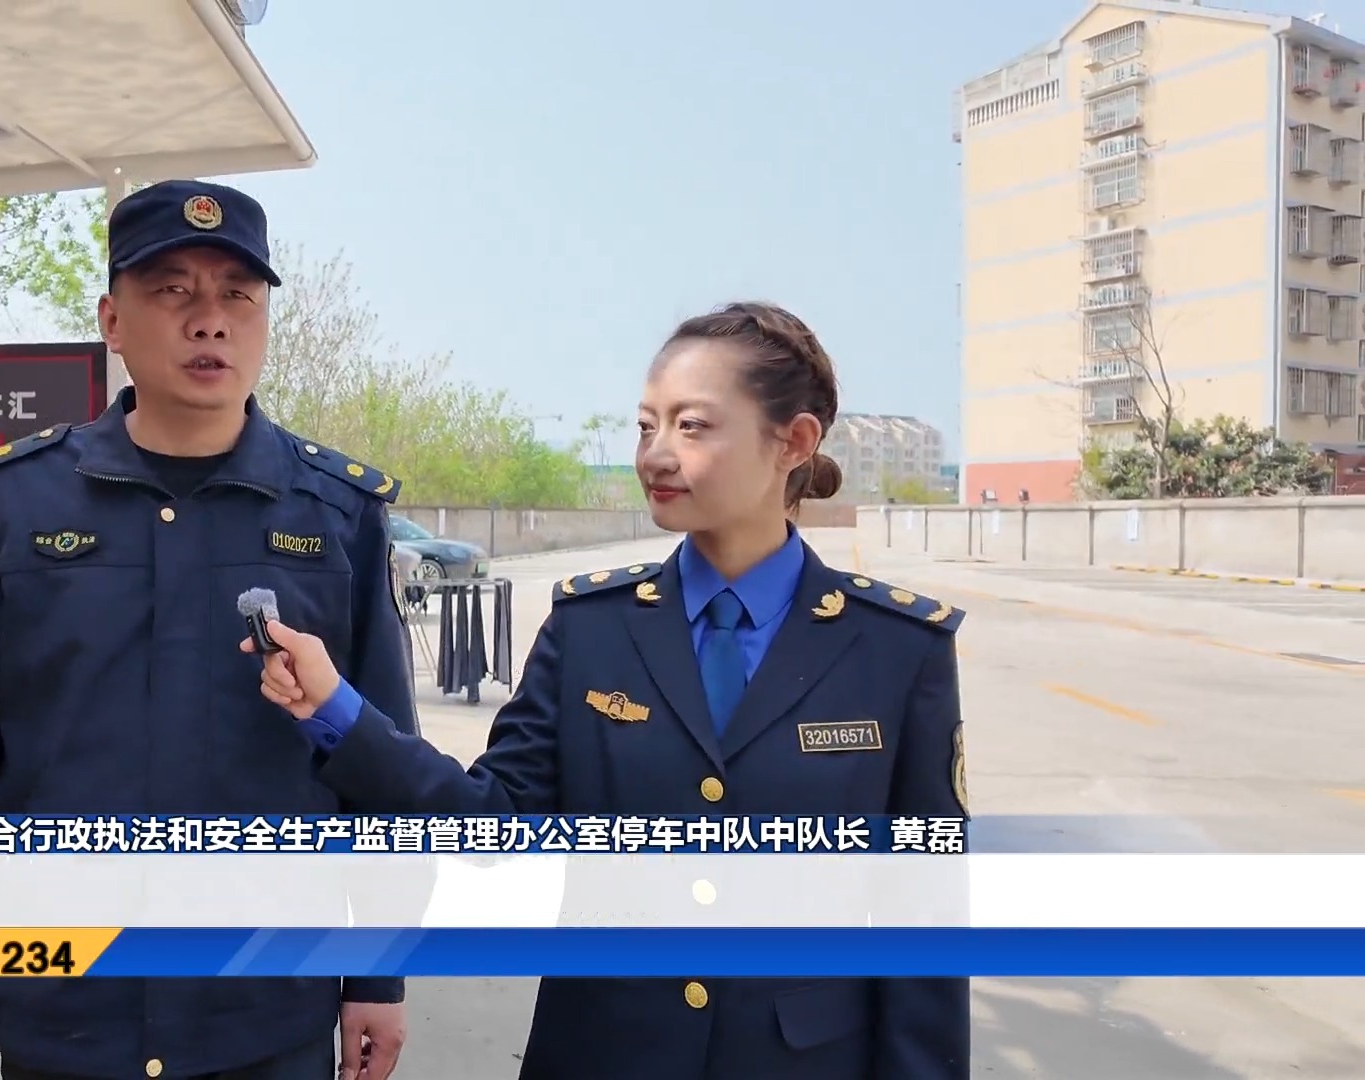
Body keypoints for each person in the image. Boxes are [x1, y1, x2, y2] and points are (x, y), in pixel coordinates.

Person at [243, 301, 971, 1079]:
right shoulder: (590, 630)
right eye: (647, 426)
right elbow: (490, 825)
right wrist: (338, 710)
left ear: (792, 441)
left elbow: (925, 925)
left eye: (693, 426)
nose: (657, 454)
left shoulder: (896, 650)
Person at [0, 180, 418, 1080]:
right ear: (113, 321)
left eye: (238, 295)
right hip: (69, 1017)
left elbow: (382, 771)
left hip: (266, 1013)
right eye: (173, 291)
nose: (210, 321)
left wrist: (379, 974)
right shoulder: (15, 505)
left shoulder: (337, 517)